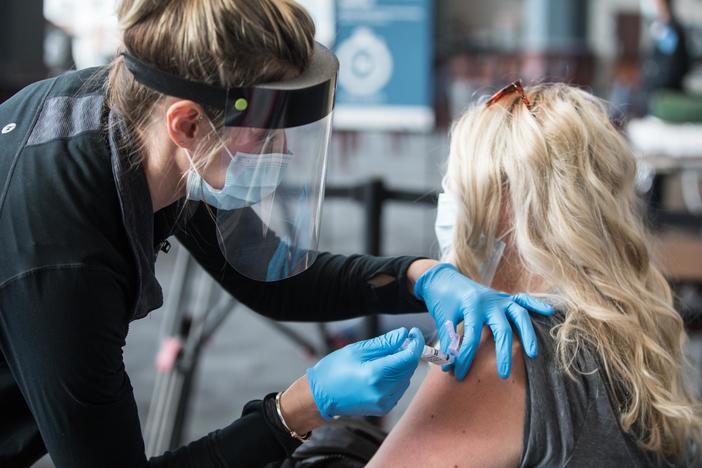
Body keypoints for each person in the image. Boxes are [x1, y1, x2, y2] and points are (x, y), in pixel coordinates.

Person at [0, 1, 554, 467]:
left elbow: (272, 274)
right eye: (266, 134)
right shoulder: (63, 263)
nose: (282, 153)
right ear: (187, 123)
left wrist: (420, 277)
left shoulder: (145, 122)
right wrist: (295, 412)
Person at [369, 81, 702, 467]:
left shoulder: (503, 347)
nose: (451, 200)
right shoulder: (629, 333)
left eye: (459, 184)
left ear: (506, 204)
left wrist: (306, 416)